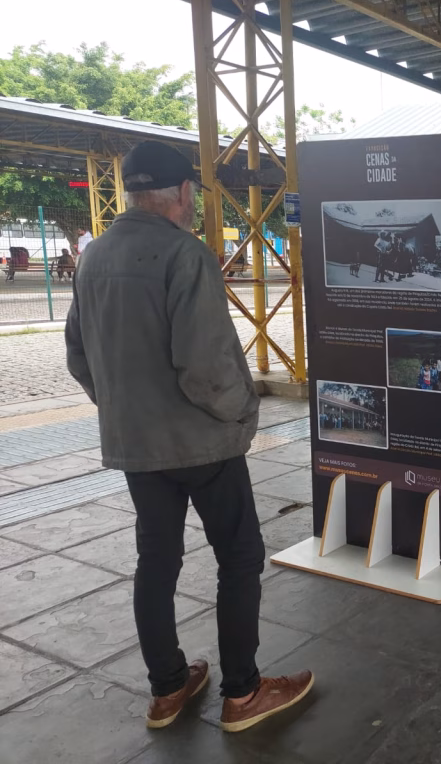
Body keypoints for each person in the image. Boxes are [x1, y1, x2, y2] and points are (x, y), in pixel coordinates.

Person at [64, 141, 313, 733]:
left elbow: (78, 355)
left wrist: (121, 409)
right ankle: (244, 693)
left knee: (157, 560)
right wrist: (242, 418)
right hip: (203, 445)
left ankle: (168, 689)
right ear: (181, 193)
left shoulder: (94, 256)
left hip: (138, 448)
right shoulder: (186, 254)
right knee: (239, 557)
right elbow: (204, 367)